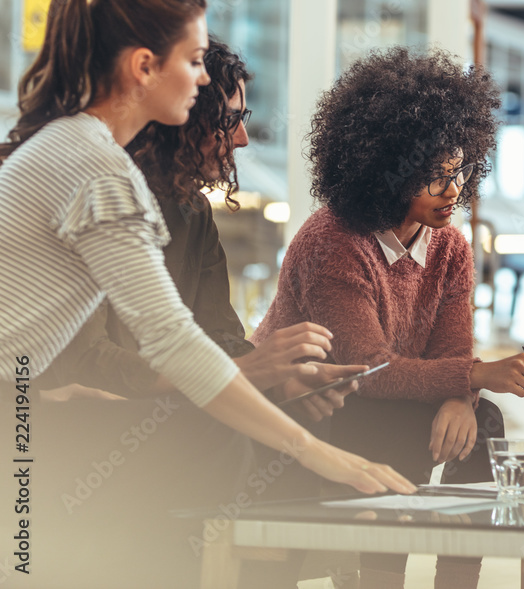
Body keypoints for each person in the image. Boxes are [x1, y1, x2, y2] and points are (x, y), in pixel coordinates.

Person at [0, 0, 413, 500]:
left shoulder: (80, 147)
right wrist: (314, 451)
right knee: (216, 437)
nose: (201, 83)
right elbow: (171, 342)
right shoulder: (99, 172)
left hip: (22, 408)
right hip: (20, 420)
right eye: (194, 62)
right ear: (145, 67)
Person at [251, 47, 524, 589]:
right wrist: (476, 376)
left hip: (375, 405)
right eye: (434, 176)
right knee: (384, 420)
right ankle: (375, 579)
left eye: (458, 172)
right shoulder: (333, 241)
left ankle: (456, 581)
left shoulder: (451, 248)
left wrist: (462, 397)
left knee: (482, 424)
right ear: (384, 172)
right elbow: (368, 370)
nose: (453, 190)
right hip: (305, 409)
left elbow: (451, 354)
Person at [41, 36, 353, 422]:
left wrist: (280, 382)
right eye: (229, 121)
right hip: (72, 423)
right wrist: (236, 374)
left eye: (243, 118)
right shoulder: (85, 198)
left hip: (158, 418)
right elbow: (87, 359)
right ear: (178, 119)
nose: (242, 139)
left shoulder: (193, 209)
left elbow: (218, 334)